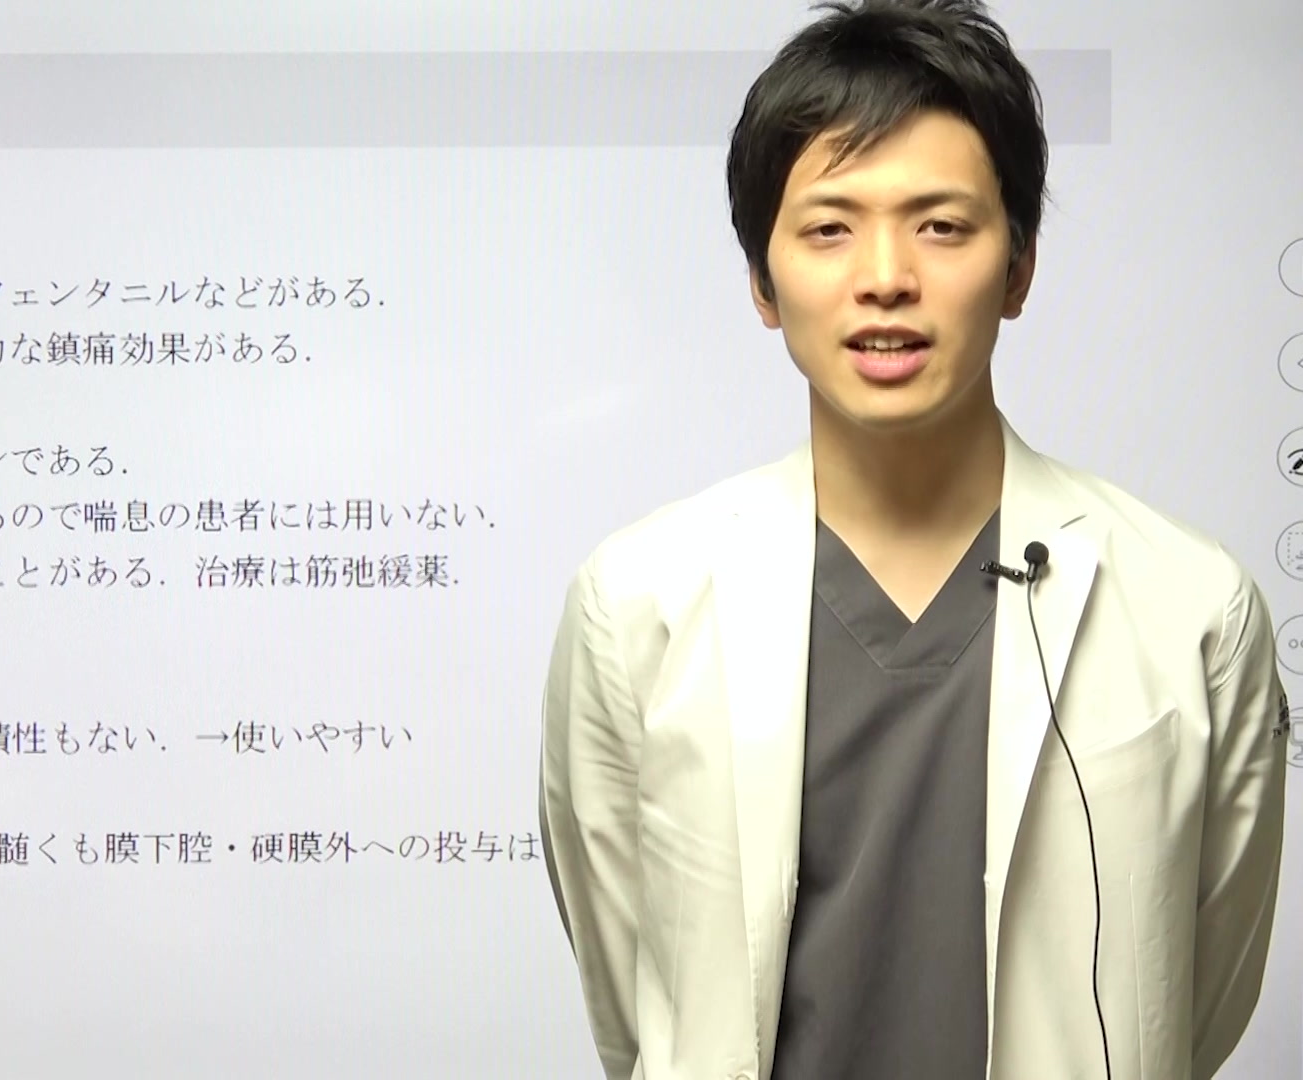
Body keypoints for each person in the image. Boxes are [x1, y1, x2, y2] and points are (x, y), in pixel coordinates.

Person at [535, 1, 1289, 1078]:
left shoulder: (1192, 607)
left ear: (1019, 267)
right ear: (762, 282)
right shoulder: (636, 604)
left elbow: (1190, 1000)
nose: (885, 275)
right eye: (829, 228)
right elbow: (640, 997)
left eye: (941, 225)